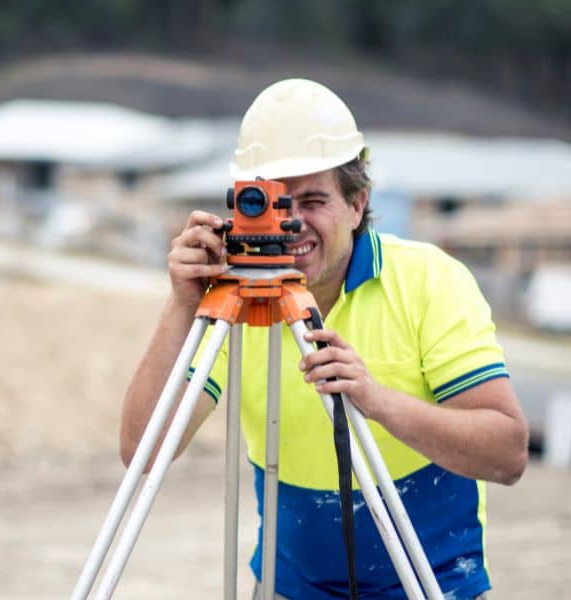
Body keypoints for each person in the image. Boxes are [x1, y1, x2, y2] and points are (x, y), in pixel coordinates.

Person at [120, 78, 528, 599]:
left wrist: (376, 401)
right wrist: (183, 302)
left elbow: (508, 453)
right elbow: (144, 454)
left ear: (358, 205)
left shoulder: (430, 282)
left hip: (432, 583)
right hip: (291, 587)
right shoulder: (234, 301)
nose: (291, 223)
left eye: (313, 200)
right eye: (271, 202)